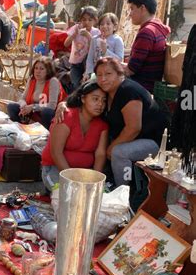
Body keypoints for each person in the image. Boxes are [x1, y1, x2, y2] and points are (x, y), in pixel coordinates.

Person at [54, 57, 166, 186]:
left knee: (118, 152)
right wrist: (64, 104)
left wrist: (111, 148)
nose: (103, 79)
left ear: (119, 74)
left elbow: (133, 128)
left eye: (108, 74)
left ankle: (122, 191)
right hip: (128, 139)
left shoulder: (128, 90)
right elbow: (81, 94)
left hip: (153, 142)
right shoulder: (107, 90)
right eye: (99, 75)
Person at [41, 80, 108, 191]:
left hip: (84, 174)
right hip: (55, 169)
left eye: (104, 100)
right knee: (68, 194)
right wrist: (73, 180)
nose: (100, 104)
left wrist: (95, 181)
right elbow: (56, 152)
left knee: (100, 196)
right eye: (95, 99)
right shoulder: (66, 116)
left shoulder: (102, 125)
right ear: (83, 99)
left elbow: (100, 154)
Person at [126, 0, 171, 93]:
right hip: (150, 84)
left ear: (142, 8)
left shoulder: (147, 32)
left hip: (141, 87)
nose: (130, 14)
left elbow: (131, 70)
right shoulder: (158, 28)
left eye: (132, 9)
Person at [7, 56, 65, 129]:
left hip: (47, 114)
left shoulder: (53, 81)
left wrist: (33, 107)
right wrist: (23, 105)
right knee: (11, 106)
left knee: (47, 112)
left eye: (41, 69)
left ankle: (44, 133)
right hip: (31, 112)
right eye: (36, 68)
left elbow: (52, 105)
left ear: (48, 71)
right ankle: (19, 128)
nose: (38, 71)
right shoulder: (31, 79)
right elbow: (22, 98)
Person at [64, 6, 100, 89]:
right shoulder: (76, 28)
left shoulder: (96, 32)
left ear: (95, 21)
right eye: (84, 19)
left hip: (89, 64)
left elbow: (95, 48)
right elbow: (66, 44)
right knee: (75, 85)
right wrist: (74, 34)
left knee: (86, 85)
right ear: (80, 20)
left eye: (90, 20)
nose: (86, 22)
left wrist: (88, 36)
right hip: (75, 63)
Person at [84, 12, 124, 79]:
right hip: (96, 73)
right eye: (102, 24)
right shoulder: (94, 39)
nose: (104, 26)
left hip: (111, 74)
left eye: (108, 24)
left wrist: (105, 50)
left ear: (114, 27)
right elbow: (90, 58)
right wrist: (88, 72)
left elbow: (119, 60)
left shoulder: (117, 40)